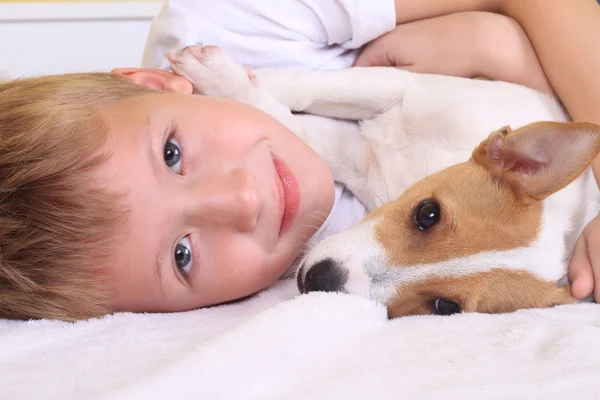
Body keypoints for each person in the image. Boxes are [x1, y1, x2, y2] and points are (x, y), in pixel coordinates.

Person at [0, 0, 598, 321]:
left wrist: (487, 36)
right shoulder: (312, 263)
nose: (242, 200)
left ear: (160, 83)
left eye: (172, 153)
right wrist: (504, 48)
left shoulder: (230, 20)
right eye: (183, 255)